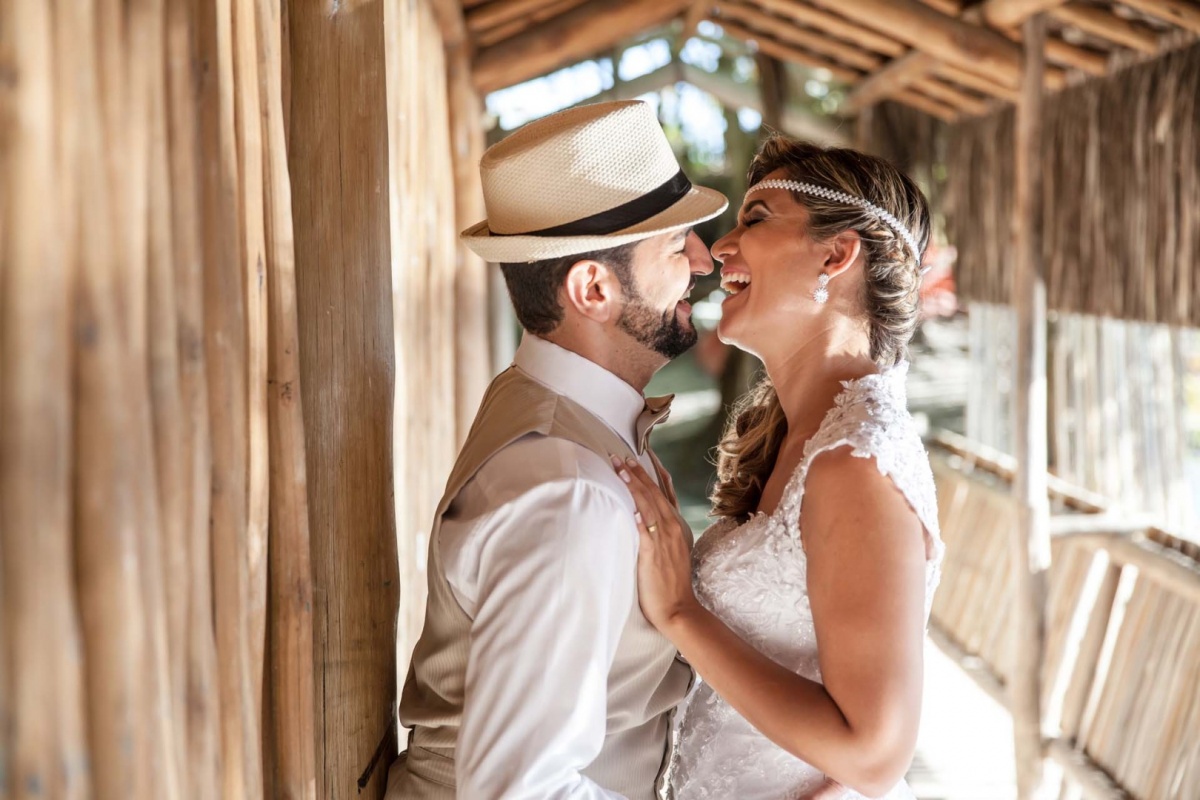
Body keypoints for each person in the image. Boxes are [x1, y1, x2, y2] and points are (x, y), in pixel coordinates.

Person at [386, 100, 727, 799]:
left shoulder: (545, 411)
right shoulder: (571, 493)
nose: (702, 261)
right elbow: (524, 789)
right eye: (675, 245)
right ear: (594, 288)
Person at [612, 136, 943, 800]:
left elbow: (874, 756)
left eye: (756, 218)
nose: (720, 248)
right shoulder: (808, 436)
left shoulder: (855, 464)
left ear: (835, 253)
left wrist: (681, 611)